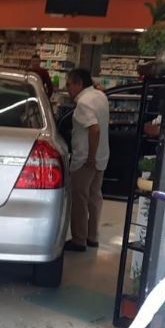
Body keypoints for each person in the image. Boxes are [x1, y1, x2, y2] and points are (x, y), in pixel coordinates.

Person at [65, 68, 110, 252]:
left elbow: (94, 129)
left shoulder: (83, 103)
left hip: (85, 159)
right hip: (102, 156)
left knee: (79, 199)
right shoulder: (101, 96)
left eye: (69, 84)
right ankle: (92, 237)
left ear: (79, 84)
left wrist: (90, 157)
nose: (68, 89)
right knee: (94, 197)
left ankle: (79, 239)